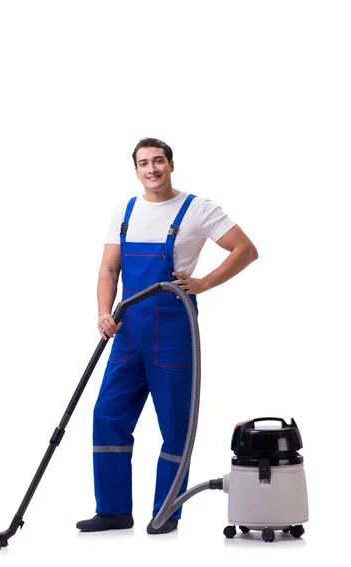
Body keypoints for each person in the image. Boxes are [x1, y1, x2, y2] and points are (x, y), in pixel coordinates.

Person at [76, 138, 258, 534]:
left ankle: (166, 512)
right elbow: (109, 270)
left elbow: (245, 249)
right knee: (107, 414)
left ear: (171, 164)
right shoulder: (125, 211)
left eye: (158, 161)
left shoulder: (198, 208)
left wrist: (204, 283)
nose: (151, 169)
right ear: (136, 170)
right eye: (143, 163)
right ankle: (113, 510)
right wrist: (104, 312)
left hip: (174, 330)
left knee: (174, 424)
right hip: (127, 331)